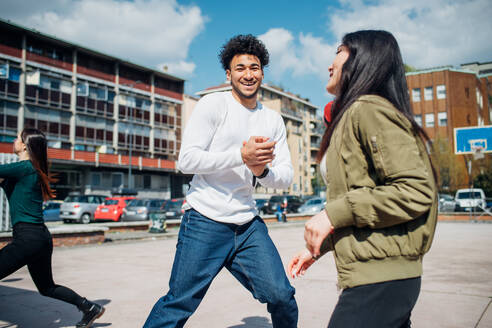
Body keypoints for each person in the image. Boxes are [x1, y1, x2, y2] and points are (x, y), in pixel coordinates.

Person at [143, 34, 298, 328]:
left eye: (254, 67)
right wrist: (241, 155)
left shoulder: (273, 120)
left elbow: (285, 177)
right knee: (178, 302)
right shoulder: (213, 105)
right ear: (229, 74)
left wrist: (261, 171)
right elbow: (186, 160)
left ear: (262, 72)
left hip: (247, 225)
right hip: (204, 220)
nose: (248, 74)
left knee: (282, 296)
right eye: (240, 68)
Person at [288, 30, 438, 328]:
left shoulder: (368, 109)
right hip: (377, 274)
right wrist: (320, 246)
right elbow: (367, 200)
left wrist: (331, 214)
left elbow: (416, 190)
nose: (330, 63)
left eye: (339, 51)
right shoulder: (355, 113)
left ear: (364, 60)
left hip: (383, 278)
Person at [0, 128, 105, 328]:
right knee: (47, 287)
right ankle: (89, 307)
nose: (13, 140)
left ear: (24, 145)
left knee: (46, 286)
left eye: (17, 138)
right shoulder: (31, 170)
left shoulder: (24, 167)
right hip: (40, 238)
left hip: (28, 238)